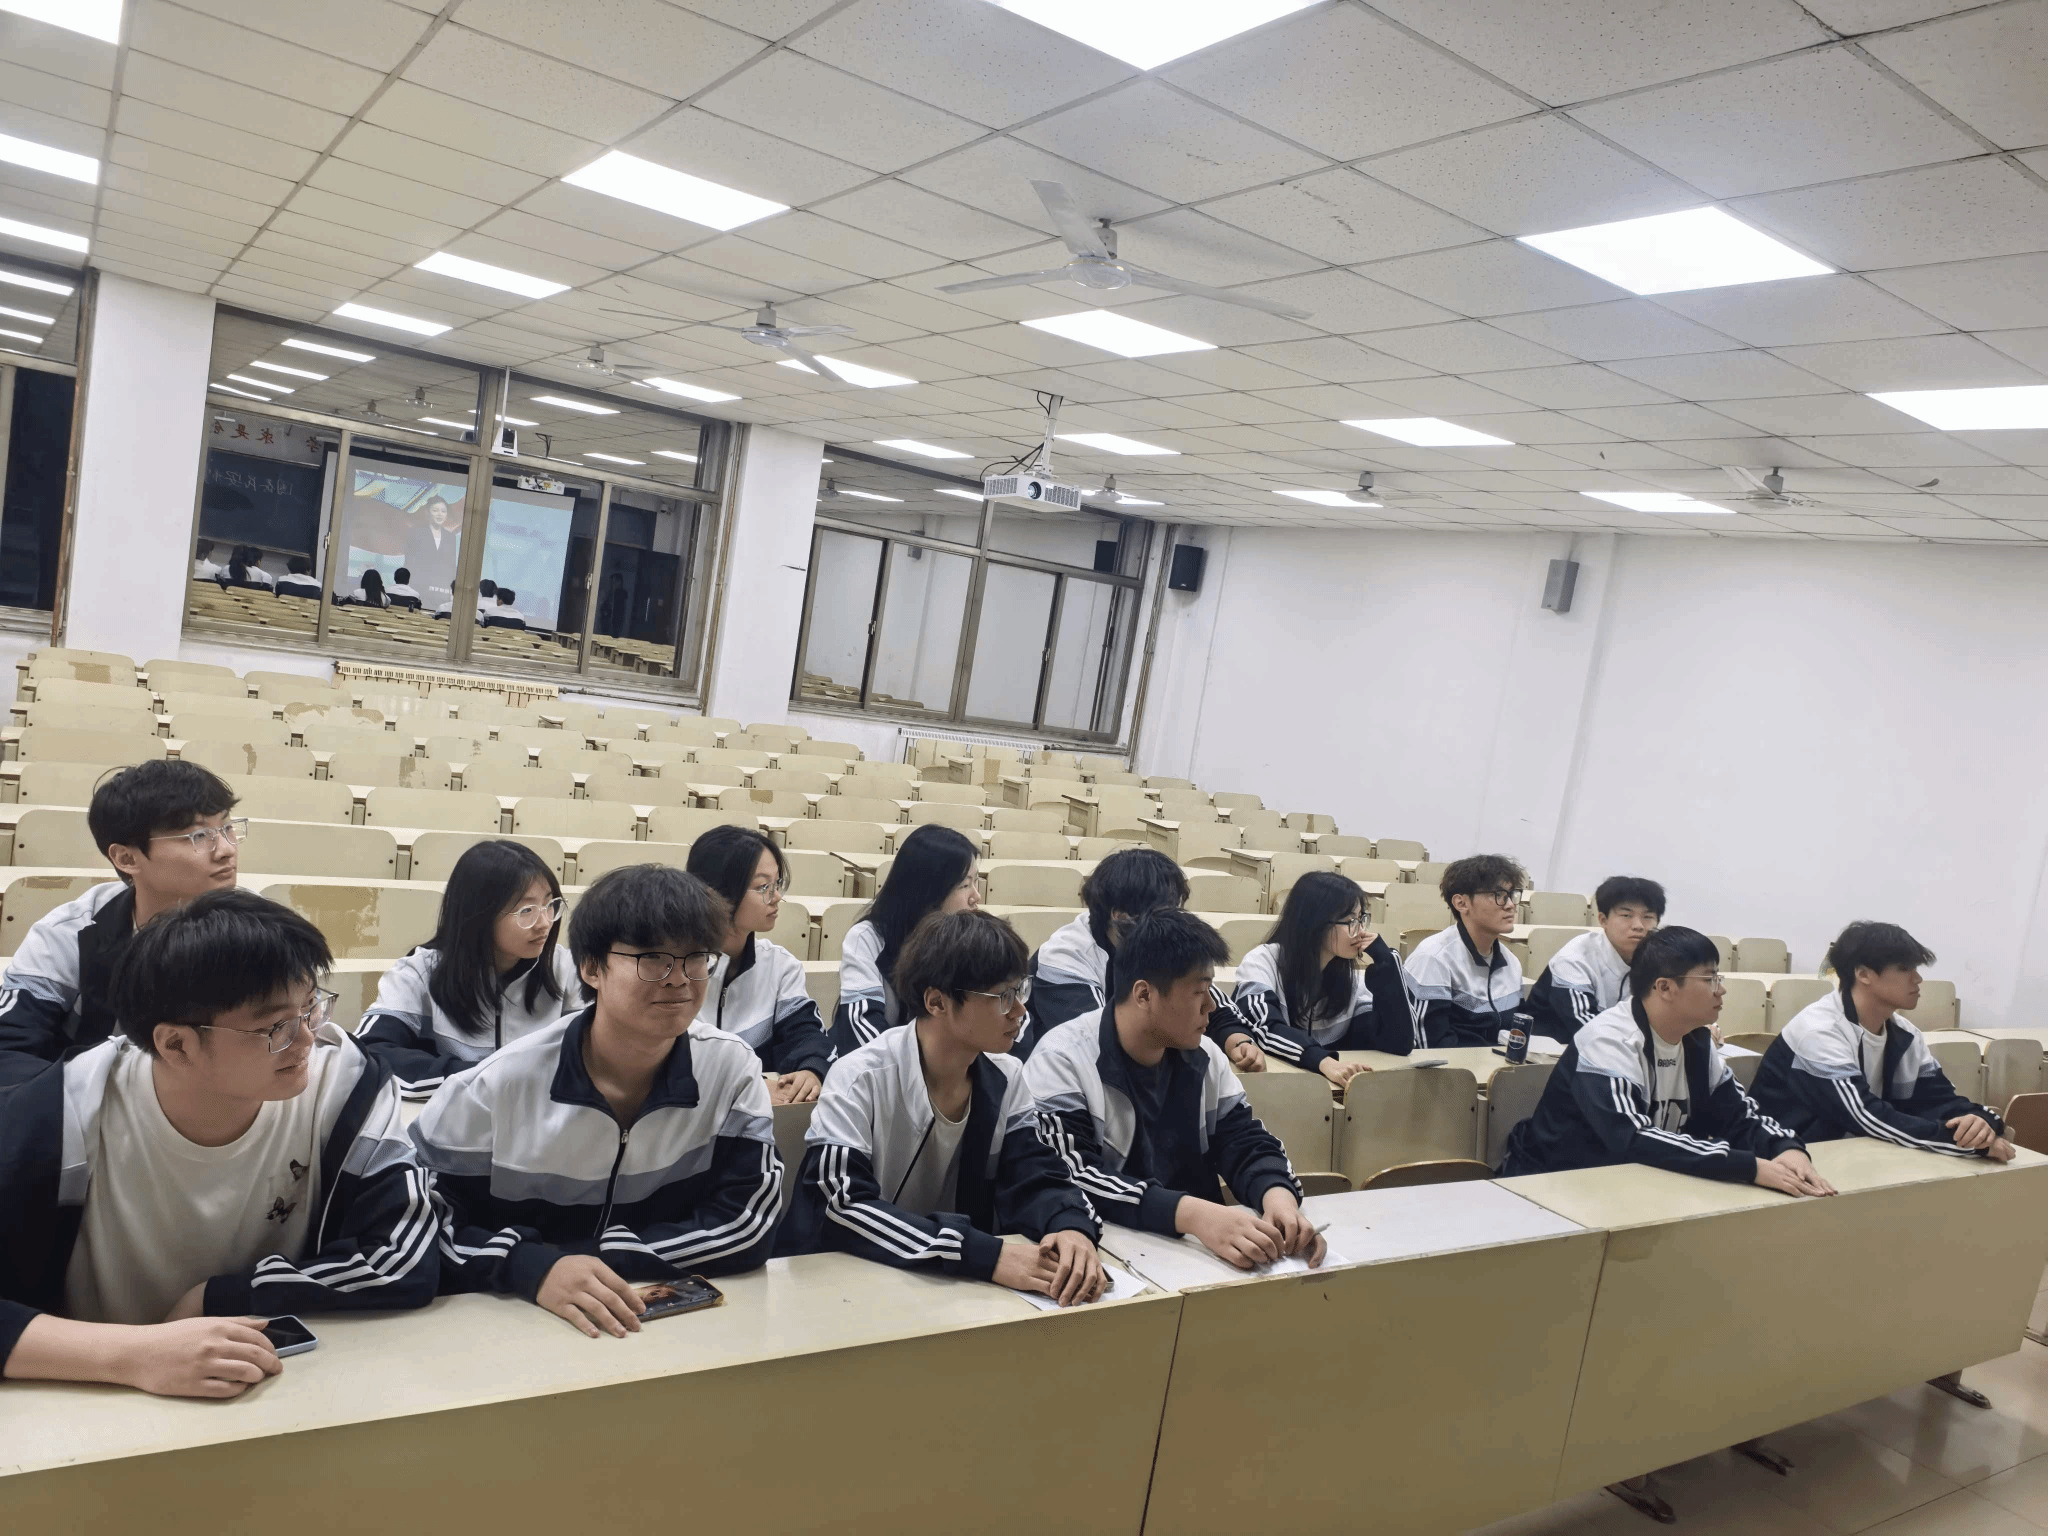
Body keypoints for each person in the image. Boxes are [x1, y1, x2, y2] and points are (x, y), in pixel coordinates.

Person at [0, 889, 437, 1398]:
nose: (306, 1040)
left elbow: (407, 1255)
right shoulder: (59, 1115)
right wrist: (133, 1354)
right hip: (89, 1400)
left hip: (271, 1392)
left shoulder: (346, 1085)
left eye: (311, 1007)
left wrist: (220, 1297)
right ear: (177, 1044)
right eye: (275, 1026)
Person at [411, 865, 781, 1337]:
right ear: (590, 968)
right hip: (510, 1325)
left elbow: (748, 1224)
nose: (679, 979)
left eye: (695, 958)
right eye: (652, 958)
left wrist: (583, 1260)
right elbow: (419, 1226)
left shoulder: (731, 1070)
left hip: (659, 1330)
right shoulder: (494, 1087)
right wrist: (530, 1267)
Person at [777, 909, 1106, 1306]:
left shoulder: (1007, 1076)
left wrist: (1069, 1225)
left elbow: (1035, 1174)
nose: (1020, 1010)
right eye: (1003, 997)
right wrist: (984, 1254)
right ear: (937, 1002)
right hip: (842, 1285)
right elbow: (842, 1207)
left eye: (1020, 991)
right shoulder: (858, 1078)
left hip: (948, 1284)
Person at [1028, 908, 1324, 1271]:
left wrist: (1277, 1197)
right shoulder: (1062, 1059)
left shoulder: (1206, 1055)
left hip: (1199, 1249)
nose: (1211, 1006)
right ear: (1143, 994)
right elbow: (1073, 1175)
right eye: (1199, 991)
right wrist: (1194, 1215)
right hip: (1110, 1250)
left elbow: (1244, 1140)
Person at [1499, 927, 1832, 1196]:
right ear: (1665, 988)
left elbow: (1739, 1115)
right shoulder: (1608, 1041)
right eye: (1710, 979)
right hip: (1557, 1185)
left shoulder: (1696, 1041)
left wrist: (1785, 1148)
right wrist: (1749, 1167)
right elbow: (1631, 1138)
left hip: (1636, 1186)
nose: (1721, 991)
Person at [0, 760, 242, 1085]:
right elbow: (9, 1050)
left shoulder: (262, 931)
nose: (226, 850)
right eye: (198, 835)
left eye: (227, 828)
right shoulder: (68, 935)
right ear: (126, 858)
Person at [1752, 922, 2011, 1162]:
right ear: (1864, 974)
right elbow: (1867, 1117)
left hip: (1857, 1157)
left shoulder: (1905, 1034)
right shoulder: (1818, 1032)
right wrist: (1966, 1145)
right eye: (1905, 969)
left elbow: (1939, 1099)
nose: (1917, 979)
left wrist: (1981, 1122)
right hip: (1789, 1159)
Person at [356, 840, 583, 1099]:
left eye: (549, 905)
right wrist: (484, 1079)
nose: (544, 923)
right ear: (480, 914)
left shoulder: (566, 969)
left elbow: (598, 1059)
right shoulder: (420, 972)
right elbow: (370, 1054)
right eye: (527, 910)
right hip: (450, 1118)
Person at [1020, 845, 1262, 1068]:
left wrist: (1238, 1041)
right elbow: (1099, 1042)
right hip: (1061, 1076)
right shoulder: (1065, 957)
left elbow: (1204, 1000)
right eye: (1164, 912)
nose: (1173, 922)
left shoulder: (1159, 942)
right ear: (1120, 917)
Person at [685, 826, 831, 1105]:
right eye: (763, 887)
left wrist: (810, 1069)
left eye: (777, 884)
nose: (777, 897)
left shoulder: (780, 966)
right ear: (715, 893)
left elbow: (806, 1034)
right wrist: (749, 1084)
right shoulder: (672, 967)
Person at [1232, 871, 1416, 1082]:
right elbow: (1265, 1028)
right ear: (1316, 923)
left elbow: (1398, 1043)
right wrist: (1322, 1061)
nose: (1360, 931)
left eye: (1361, 919)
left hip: (1326, 1092)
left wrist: (1386, 964)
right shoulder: (1262, 962)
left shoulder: (1351, 981)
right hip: (1269, 1085)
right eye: (1351, 921)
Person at [831, 823, 980, 1056]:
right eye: (965, 885)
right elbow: (862, 1027)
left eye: (976, 882)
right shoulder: (868, 939)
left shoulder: (971, 941)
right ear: (929, 892)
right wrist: (920, 1067)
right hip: (879, 1068)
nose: (976, 896)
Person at [1403, 854, 1529, 1048]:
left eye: (1512, 895)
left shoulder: (1511, 963)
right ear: (1461, 903)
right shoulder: (1433, 959)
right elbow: (1428, 1046)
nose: (1511, 905)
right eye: (1499, 895)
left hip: (1497, 1065)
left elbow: (1515, 1035)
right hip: (1450, 1067)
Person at [1525, 876, 1665, 1045]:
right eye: (1626, 915)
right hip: (1549, 1051)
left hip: (1617, 1050)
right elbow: (1587, 1027)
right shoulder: (1574, 959)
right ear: (1603, 920)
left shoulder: (1659, 960)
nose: (1638, 926)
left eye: (1648, 917)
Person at [403, 495, 460, 605]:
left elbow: (451, 565)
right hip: (418, 588)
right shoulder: (416, 532)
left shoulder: (450, 537)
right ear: (428, 513)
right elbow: (409, 561)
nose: (440, 514)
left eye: (443, 511)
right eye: (435, 510)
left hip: (441, 592)